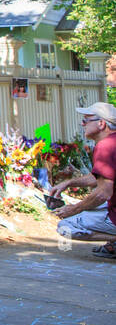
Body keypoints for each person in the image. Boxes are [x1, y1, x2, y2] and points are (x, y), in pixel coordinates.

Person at [54, 101, 116, 257]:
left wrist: (74, 209)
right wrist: (69, 182)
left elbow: (104, 193)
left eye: (86, 120)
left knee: (66, 226)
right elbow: (100, 176)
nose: (82, 124)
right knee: (89, 206)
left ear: (101, 123)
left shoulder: (105, 146)